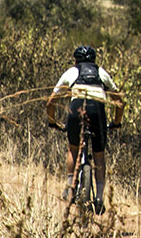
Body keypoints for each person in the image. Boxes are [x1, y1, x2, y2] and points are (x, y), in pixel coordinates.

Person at [48, 44, 121, 212]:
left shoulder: (71, 72)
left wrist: (53, 122)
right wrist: (117, 122)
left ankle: (69, 187)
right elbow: (120, 102)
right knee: (99, 155)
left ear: (75, 61)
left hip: (76, 110)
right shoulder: (102, 73)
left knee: (73, 148)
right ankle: (99, 198)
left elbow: (51, 102)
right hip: (97, 112)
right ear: (94, 60)